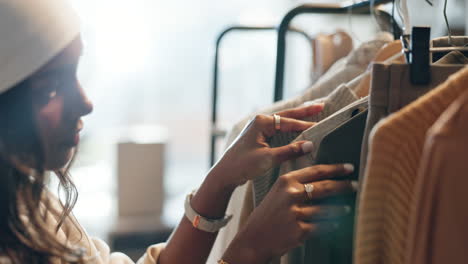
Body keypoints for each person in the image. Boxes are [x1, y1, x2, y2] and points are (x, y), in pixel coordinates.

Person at [0, 1, 356, 263]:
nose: (84, 102)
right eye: (50, 89)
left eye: (76, 73)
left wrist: (219, 182)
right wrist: (250, 250)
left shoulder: (29, 205)